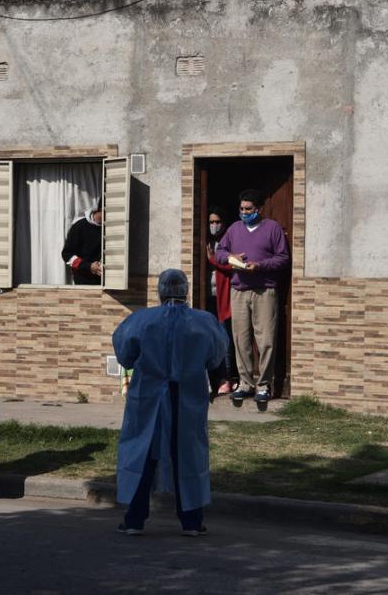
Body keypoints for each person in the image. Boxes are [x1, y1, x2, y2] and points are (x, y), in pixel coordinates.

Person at [113, 269, 228, 536]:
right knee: (188, 454)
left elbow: (125, 355)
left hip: (148, 396)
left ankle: (134, 519)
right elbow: (215, 357)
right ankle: (192, 521)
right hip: (186, 396)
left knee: (141, 453)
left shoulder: (142, 320)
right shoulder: (203, 321)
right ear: (186, 290)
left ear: (160, 290)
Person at [214, 189, 290, 405]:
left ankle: (264, 385)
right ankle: (246, 384)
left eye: (249, 209)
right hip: (238, 290)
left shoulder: (272, 228)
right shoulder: (234, 229)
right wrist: (230, 257)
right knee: (241, 339)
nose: (244, 212)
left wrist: (260, 266)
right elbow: (220, 252)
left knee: (266, 339)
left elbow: (283, 258)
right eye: (242, 209)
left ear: (259, 209)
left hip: (264, 290)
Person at [205, 206, 237, 395]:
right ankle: (214, 377)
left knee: (224, 338)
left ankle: (227, 378)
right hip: (208, 297)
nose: (214, 226)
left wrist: (213, 260)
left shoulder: (229, 242)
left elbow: (233, 267)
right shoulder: (207, 241)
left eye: (217, 222)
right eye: (211, 222)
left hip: (224, 298)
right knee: (210, 338)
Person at [62, 201, 103, 284]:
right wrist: (89, 266)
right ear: (101, 209)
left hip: (108, 281)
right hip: (84, 281)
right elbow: (67, 254)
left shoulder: (112, 228)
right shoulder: (79, 227)